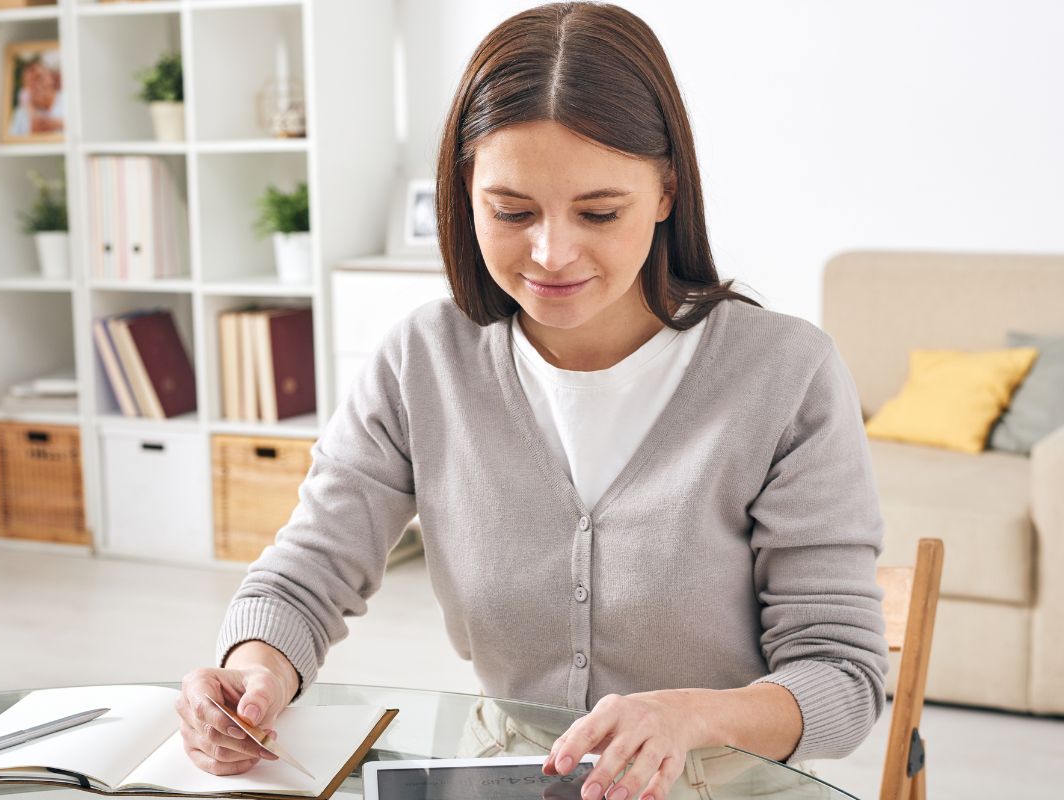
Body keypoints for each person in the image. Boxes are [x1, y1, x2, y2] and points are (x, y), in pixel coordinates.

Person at [175, 3, 888, 799]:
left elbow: (844, 678)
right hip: (508, 776)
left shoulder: (785, 375)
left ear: (665, 192)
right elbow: (305, 575)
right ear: (464, 192)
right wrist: (254, 671)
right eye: (511, 211)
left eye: (599, 211)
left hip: (727, 781)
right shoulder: (423, 361)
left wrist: (692, 717)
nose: (552, 254)